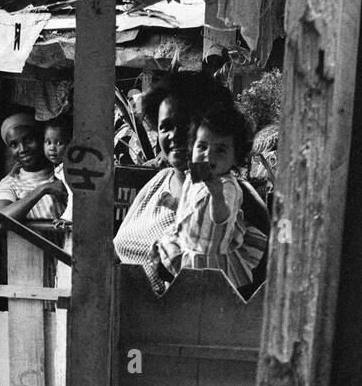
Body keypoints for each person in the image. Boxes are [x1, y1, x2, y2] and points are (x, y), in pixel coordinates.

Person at [113, 70, 269, 299]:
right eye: (165, 126)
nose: (174, 135)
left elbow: (249, 290)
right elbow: (117, 249)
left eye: (185, 124)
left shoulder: (235, 196)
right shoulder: (158, 183)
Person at [156, 104, 263, 295]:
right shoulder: (193, 177)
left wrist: (216, 195)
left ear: (235, 158)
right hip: (187, 245)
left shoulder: (227, 187)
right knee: (168, 274)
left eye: (220, 150)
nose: (208, 154)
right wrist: (174, 204)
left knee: (205, 295)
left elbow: (221, 218)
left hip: (209, 255)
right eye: (202, 146)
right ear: (192, 147)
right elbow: (191, 208)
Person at [0, 111, 68, 222]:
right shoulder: (10, 183)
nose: (22, 149)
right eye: (14, 145)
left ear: (41, 139)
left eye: (28, 139)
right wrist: (42, 189)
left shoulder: (62, 173)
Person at [43, 117, 72, 223]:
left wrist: (66, 218)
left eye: (59, 143)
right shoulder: (58, 167)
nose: (52, 148)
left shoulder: (68, 169)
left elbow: (74, 194)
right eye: (48, 142)